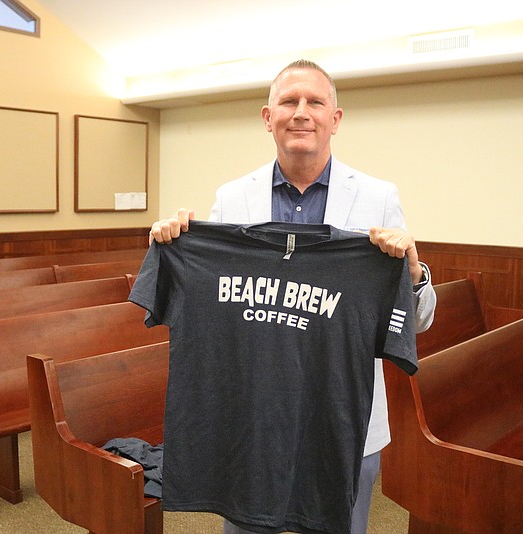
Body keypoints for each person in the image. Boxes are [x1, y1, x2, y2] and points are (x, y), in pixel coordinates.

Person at [150, 59, 436, 534]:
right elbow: (217, 306)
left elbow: (418, 322)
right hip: (253, 415)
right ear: (268, 117)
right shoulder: (233, 198)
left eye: (315, 102)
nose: (302, 112)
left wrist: (415, 273)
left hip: (343, 420)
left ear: (335, 119)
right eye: (289, 101)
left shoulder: (378, 197)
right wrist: (174, 243)